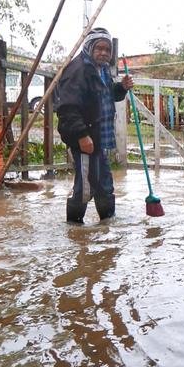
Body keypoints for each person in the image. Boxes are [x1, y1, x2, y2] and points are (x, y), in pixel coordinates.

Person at [53, 28, 133, 223]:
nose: (104, 53)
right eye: (99, 48)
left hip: (99, 138)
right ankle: (74, 228)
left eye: (107, 49)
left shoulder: (102, 69)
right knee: (85, 187)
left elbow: (105, 96)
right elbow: (68, 108)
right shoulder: (78, 70)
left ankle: (107, 224)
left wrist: (121, 88)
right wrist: (82, 136)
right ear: (89, 47)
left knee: (104, 182)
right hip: (86, 138)